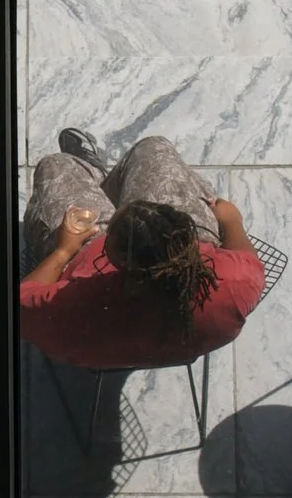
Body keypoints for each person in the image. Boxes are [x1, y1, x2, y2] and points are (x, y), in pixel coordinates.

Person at [20, 130, 266, 370]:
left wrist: (63, 251)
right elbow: (248, 260)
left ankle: (90, 173)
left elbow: (21, 307)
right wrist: (232, 220)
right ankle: (98, 180)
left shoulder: (77, 306)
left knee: (56, 165)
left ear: (117, 262)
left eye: (111, 243)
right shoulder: (234, 281)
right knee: (152, 146)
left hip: (95, 306)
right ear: (189, 239)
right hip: (179, 340)